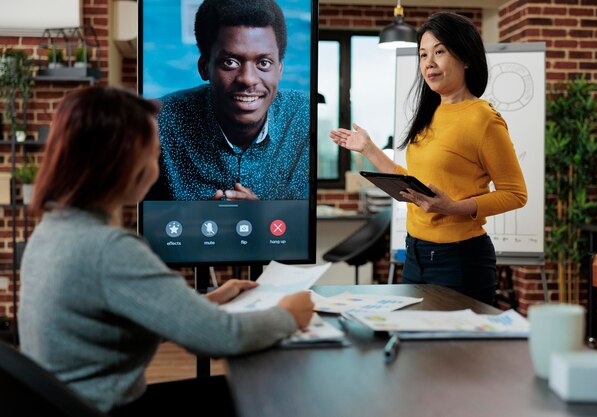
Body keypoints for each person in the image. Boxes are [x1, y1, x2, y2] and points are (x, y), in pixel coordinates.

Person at [18, 86, 314, 416]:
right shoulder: (109, 250)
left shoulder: (52, 231)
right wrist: (289, 315)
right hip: (108, 408)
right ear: (121, 161)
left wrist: (209, 301)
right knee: (265, 394)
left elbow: (129, 320)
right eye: (152, 153)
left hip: (73, 405)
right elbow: (220, 338)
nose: (157, 166)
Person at [330, 12, 527, 305]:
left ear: (466, 57)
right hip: (415, 254)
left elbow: (515, 194)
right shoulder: (429, 114)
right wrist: (368, 148)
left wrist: (456, 207)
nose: (428, 63)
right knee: (415, 346)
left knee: (456, 351)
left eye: (439, 52)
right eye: (423, 55)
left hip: (460, 259)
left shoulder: (483, 119)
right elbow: (412, 182)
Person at [150, 0, 310, 201]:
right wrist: (190, 219)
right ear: (204, 67)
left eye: (264, 63)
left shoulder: (305, 119)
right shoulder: (157, 124)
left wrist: (264, 217)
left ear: (280, 69)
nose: (248, 79)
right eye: (230, 62)